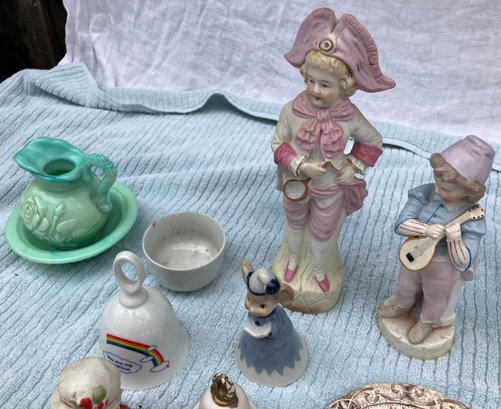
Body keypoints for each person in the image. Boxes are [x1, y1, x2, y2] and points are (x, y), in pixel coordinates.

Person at [272, 8, 394, 293]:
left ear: (344, 87)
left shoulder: (349, 116)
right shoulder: (291, 111)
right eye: (310, 80)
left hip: (329, 186)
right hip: (295, 181)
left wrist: (353, 165)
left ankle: (319, 268)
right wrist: (300, 164)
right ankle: (292, 261)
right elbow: (278, 144)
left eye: (325, 84)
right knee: (294, 221)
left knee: (324, 230)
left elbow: (373, 140)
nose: (315, 89)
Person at [379, 135, 495, 344]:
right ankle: (401, 306)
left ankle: (426, 322)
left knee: (435, 297)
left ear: (468, 192)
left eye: (447, 189)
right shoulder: (425, 193)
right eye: (437, 183)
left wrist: (455, 239)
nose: (438, 191)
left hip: (442, 266)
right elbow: (401, 224)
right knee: (405, 286)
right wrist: (425, 229)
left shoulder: (472, 218)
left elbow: (464, 261)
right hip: (413, 253)